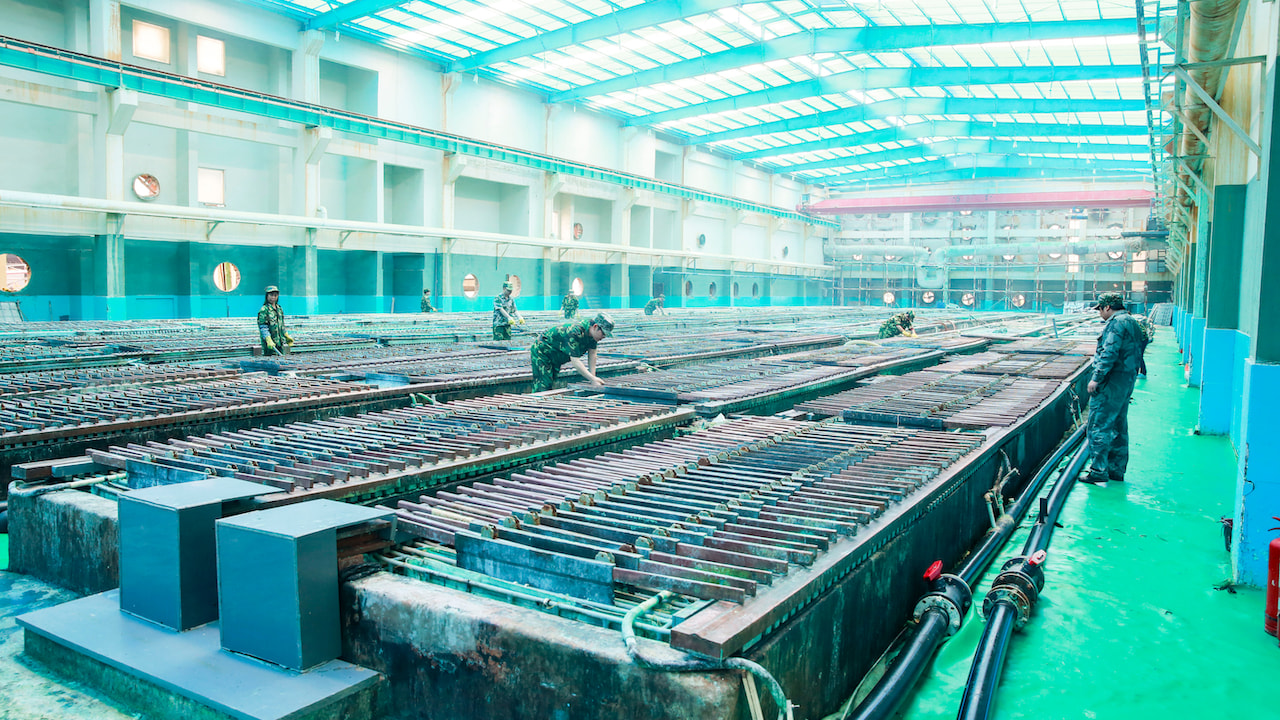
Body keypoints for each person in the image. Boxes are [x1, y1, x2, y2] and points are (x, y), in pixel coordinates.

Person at [1081, 293, 1145, 485]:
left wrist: (1096, 378)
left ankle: (1098, 470)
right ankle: (1116, 469)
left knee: (1099, 424)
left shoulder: (1116, 323)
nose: (1100, 314)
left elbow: (1109, 353)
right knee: (1118, 425)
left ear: (1107, 307)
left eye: (1100, 309)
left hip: (1111, 381)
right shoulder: (1131, 322)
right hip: (1126, 380)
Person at [529, 312, 614, 392]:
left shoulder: (593, 335)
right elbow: (575, 361)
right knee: (543, 384)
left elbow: (592, 354)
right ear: (595, 327)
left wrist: (593, 378)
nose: (604, 337)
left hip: (556, 355)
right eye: (603, 333)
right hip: (543, 352)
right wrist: (592, 378)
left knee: (550, 381)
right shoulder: (575, 332)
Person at [257, 285, 292, 356]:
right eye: (271, 295)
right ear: (267, 296)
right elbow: (263, 327)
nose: (273, 297)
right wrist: (268, 339)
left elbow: (281, 325)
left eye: (275, 295)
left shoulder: (279, 309)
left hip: (280, 342)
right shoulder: (264, 310)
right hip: (270, 344)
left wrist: (286, 335)